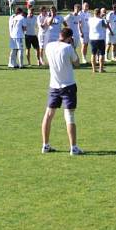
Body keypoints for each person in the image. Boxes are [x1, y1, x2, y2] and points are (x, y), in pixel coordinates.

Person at [40, 27, 83, 155]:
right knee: (69, 116)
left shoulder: (49, 46)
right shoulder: (68, 48)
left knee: (48, 115)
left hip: (54, 85)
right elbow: (77, 63)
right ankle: (73, 147)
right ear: (69, 38)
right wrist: (72, 47)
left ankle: (45, 145)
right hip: (68, 86)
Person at [87, 8, 110, 73]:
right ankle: (101, 69)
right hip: (100, 38)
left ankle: (94, 69)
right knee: (101, 54)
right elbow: (106, 26)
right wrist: (105, 19)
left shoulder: (90, 20)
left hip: (92, 38)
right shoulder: (101, 20)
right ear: (99, 13)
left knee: (93, 54)